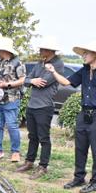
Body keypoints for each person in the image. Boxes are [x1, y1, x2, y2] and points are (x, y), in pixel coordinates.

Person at [45, 41, 96, 193]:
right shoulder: (84, 70)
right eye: (83, 53)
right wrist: (53, 71)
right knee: (80, 148)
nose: (83, 56)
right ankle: (79, 178)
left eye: (86, 53)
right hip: (83, 114)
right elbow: (66, 82)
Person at [16, 37, 65, 178]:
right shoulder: (40, 63)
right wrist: (32, 80)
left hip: (44, 106)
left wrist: (33, 80)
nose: (39, 51)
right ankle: (29, 161)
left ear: (50, 50)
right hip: (32, 105)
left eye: (42, 49)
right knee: (32, 136)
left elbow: (44, 82)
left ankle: (43, 166)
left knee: (43, 137)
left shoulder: (58, 64)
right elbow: (26, 80)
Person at [0, 36, 26, 162]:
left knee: (12, 126)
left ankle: (15, 151)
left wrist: (7, 84)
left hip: (11, 98)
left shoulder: (18, 63)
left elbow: (22, 80)